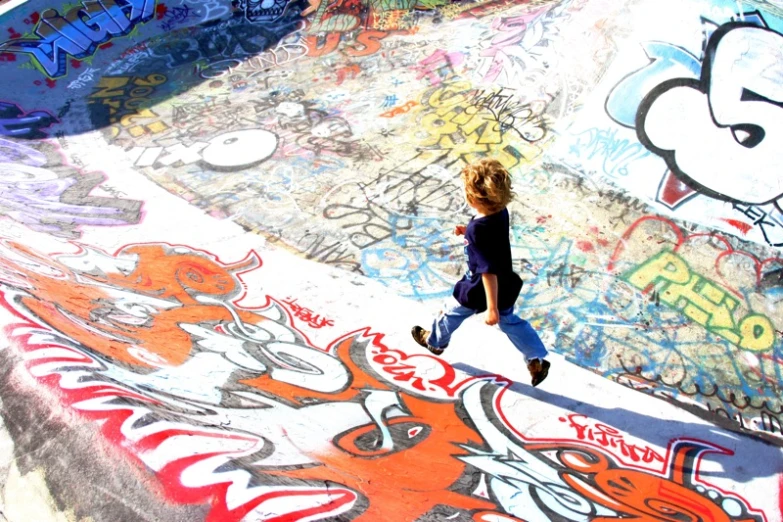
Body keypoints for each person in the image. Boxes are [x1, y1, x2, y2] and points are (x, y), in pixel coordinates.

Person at [411, 158, 551, 387]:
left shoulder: (478, 229)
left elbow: (488, 272)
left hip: (479, 288)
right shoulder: (500, 212)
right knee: (511, 323)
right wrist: (468, 232)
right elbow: (491, 238)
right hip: (507, 283)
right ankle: (536, 359)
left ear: (474, 198)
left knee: (451, 312)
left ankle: (434, 342)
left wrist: (492, 308)